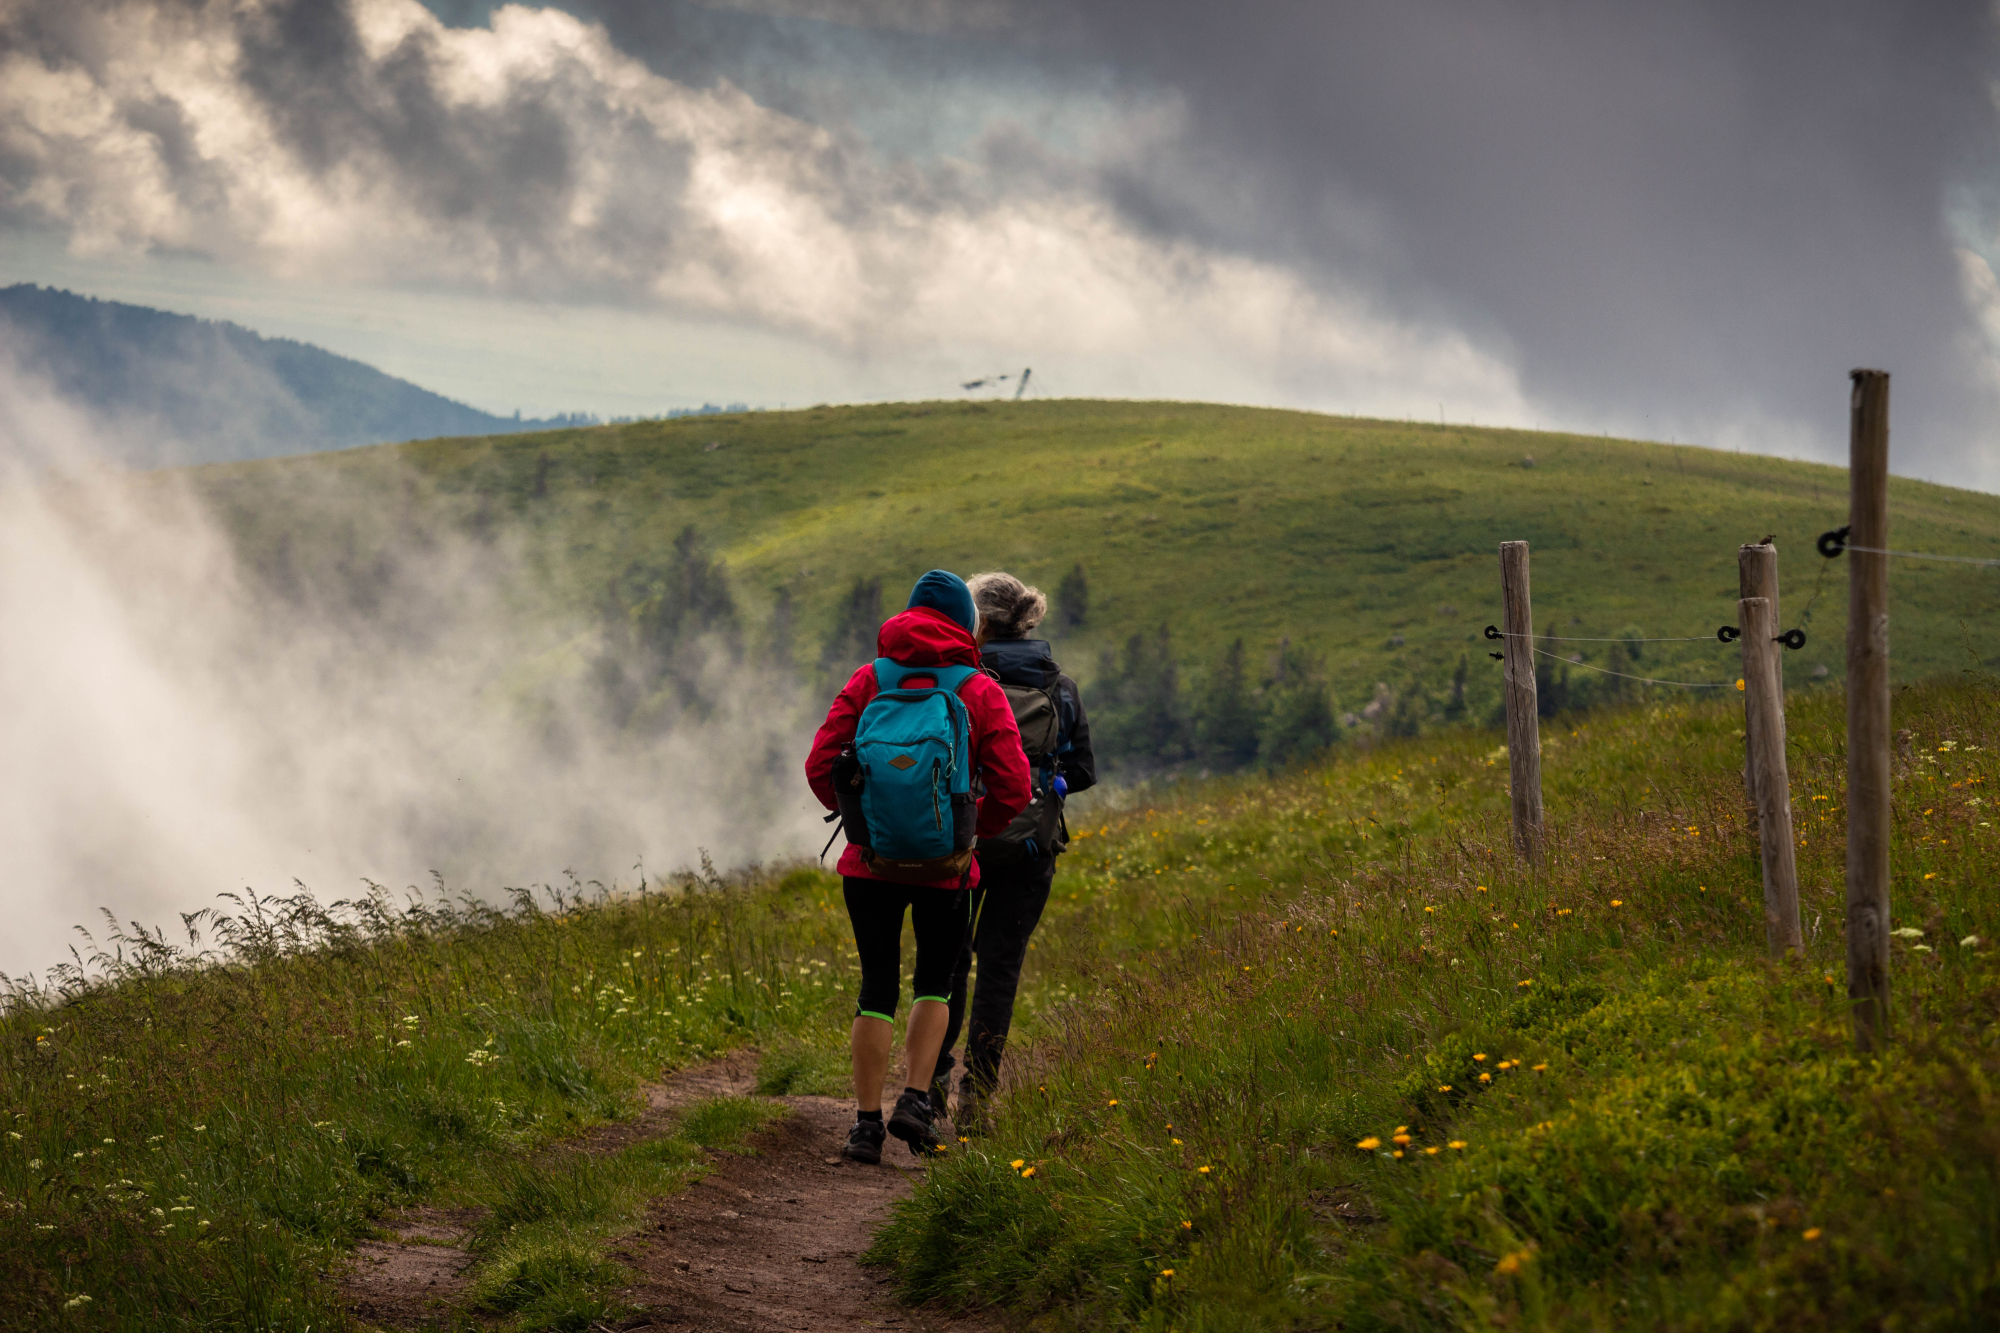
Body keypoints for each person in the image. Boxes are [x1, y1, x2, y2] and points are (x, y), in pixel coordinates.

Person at [805, 570, 1031, 1163]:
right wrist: (967, 829)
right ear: (965, 623)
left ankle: (864, 1126)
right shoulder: (979, 688)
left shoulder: (870, 679)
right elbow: (1013, 785)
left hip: (869, 864)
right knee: (936, 983)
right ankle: (914, 1099)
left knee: (875, 989)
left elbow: (820, 764)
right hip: (948, 868)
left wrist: (864, 819)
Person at [933, 571, 1095, 1131]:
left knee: (948, 965)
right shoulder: (1061, 687)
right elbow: (1082, 772)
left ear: (976, 621)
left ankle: (927, 1091)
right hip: (1029, 849)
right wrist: (1042, 786)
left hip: (958, 843)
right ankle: (977, 1099)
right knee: (1000, 969)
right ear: (1028, 617)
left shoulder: (959, 680)